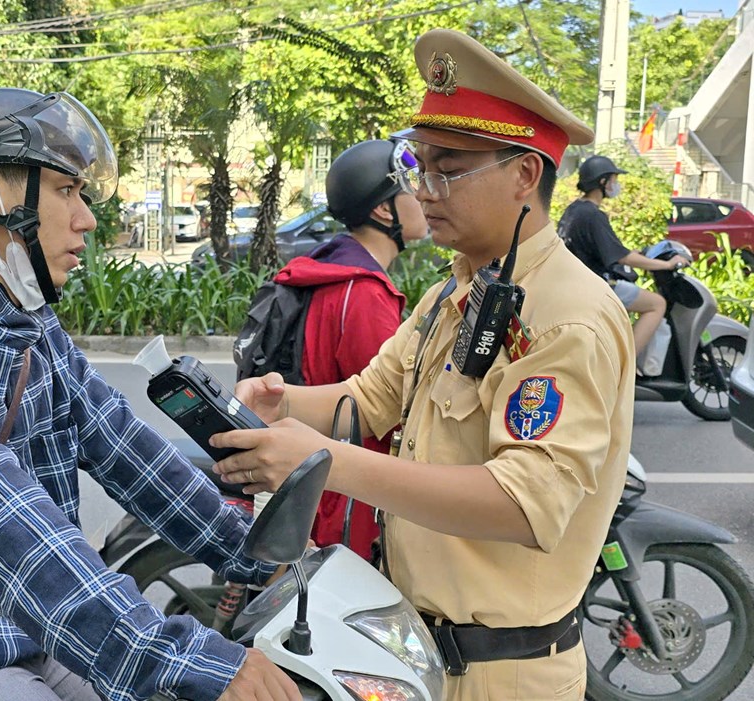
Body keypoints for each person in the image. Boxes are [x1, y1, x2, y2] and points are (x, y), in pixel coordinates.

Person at [0, 87, 299, 701]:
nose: (87, 218)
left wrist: (260, 556)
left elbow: (127, 448)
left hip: (34, 631)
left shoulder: (30, 325)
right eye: (65, 191)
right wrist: (174, 654)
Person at [211, 28, 637, 701]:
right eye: (420, 167)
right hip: (412, 650)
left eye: (449, 168)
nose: (426, 189)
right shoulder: (455, 291)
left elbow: (525, 505)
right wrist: (283, 403)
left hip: (504, 673)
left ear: (525, 174)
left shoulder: (567, 315)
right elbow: (369, 398)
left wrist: (321, 458)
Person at [273, 139, 427, 559]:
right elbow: (388, 407)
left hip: (321, 477)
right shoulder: (363, 293)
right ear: (383, 210)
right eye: (411, 187)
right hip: (347, 498)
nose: (424, 195)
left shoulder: (329, 269)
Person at [559, 155, 689, 361]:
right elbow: (625, 259)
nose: (615, 184)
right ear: (602, 182)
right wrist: (666, 264)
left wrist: (636, 253)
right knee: (657, 303)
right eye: (613, 179)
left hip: (576, 284)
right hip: (596, 288)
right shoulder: (593, 215)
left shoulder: (575, 209)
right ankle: (625, 365)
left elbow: (607, 249)